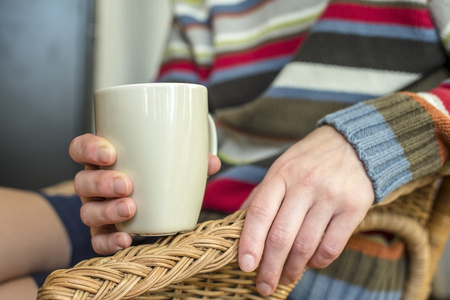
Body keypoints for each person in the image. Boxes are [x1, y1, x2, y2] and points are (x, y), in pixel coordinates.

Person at [2, 0, 449, 299]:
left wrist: (366, 143)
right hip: (166, 230)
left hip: (285, 256)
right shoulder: (204, 5)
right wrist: (110, 189)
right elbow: (173, 116)